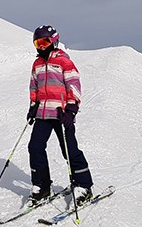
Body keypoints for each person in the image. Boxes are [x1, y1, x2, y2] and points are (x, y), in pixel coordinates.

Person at [26, 25, 94, 206]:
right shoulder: (37, 64)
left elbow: (74, 85)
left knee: (69, 150)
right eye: (37, 43)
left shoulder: (64, 61)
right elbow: (34, 87)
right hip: (42, 113)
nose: (41, 46)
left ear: (54, 41)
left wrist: (71, 109)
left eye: (44, 42)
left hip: (62, 113)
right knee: (35, 147)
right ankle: (41, 185)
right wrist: (33, 106)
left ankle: (84, 186)